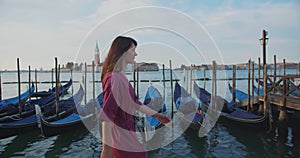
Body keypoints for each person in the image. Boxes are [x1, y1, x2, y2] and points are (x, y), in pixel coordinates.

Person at [98, 36, 171, 158]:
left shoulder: (120, 78)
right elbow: (107, 116)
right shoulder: (115, 78)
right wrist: (106, 150)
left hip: (128, 136)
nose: (135, 54)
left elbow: (135, 103)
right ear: (122, 51)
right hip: (121, 141)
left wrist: (157, 116)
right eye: (133, 50)